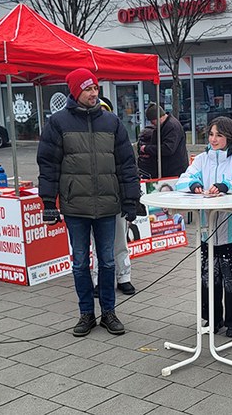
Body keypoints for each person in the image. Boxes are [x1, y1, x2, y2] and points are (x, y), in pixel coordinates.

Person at [36, 68, 140, 337]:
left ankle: (108, 312)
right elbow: (48, 164)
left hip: (107, 206)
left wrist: (131, 199)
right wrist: (48, 202)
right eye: (88, 89)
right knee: (80, 263)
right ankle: (86, 314)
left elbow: (127, 164)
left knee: (107, 262)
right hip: (75, 207)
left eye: (95, 88)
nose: (94, 93)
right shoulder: (58, 123)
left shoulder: (112, 122)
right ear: (75, 91)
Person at [176, 116, 232, 338]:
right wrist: (194, 184)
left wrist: (226, 186)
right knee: (209, 277)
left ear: (229, 136)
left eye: (219, 134)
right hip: (206, 230)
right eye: (211, 134)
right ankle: (212, 318)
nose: (214, 139)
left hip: (231, 231)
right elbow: (183, 178)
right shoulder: (201, 159)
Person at [87, 96, 136, 297]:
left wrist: (131, 199)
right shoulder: (85, 137)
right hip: (91, 200)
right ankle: (99, 280)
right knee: (98, 244)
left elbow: (128, 168)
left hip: (115, 198)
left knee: (119, 241)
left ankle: (124, 277)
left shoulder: (117, 134)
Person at [140, 103, 189, 177]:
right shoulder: (166, 125)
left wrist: (147, 149)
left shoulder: (171, 126)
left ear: (157, 118)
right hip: (170, 169)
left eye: (152, 121)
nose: (152, 124)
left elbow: (168, 149)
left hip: (174, 171)